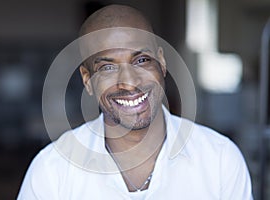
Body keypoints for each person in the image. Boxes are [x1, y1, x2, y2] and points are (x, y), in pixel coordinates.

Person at [17, 4, 253, 199]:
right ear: (87, 80)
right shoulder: (52, 170)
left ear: (161, 62)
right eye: (107, 67)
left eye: (141, 60)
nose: (129, 83)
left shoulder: (219, 160)